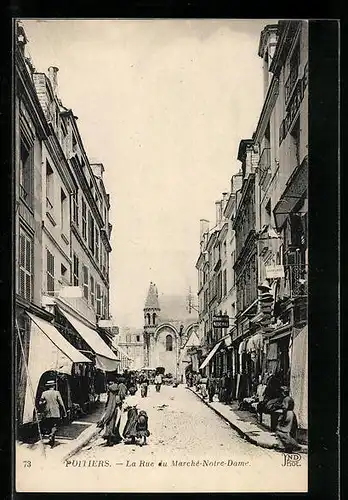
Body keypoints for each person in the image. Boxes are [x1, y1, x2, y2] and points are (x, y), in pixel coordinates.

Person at [39, 380, 67, 447]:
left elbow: (40, 403)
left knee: (49, 425)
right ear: (53, 386)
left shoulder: (44, 393)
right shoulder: (57, 393)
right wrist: (64, 411)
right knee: (55, 426)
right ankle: (51, 435)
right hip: (55, 412)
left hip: (47, 412)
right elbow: (61, 403)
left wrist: (44, 403)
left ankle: (51, 441)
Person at [97, 381, 123, 446]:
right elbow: (119, 405)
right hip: (115, 411)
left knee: (108, 425)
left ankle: (109, 440)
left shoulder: (109, 395)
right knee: (114, 425)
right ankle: (113, 439)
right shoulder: (117, 396)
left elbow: (106, 405)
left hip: (109, 411)